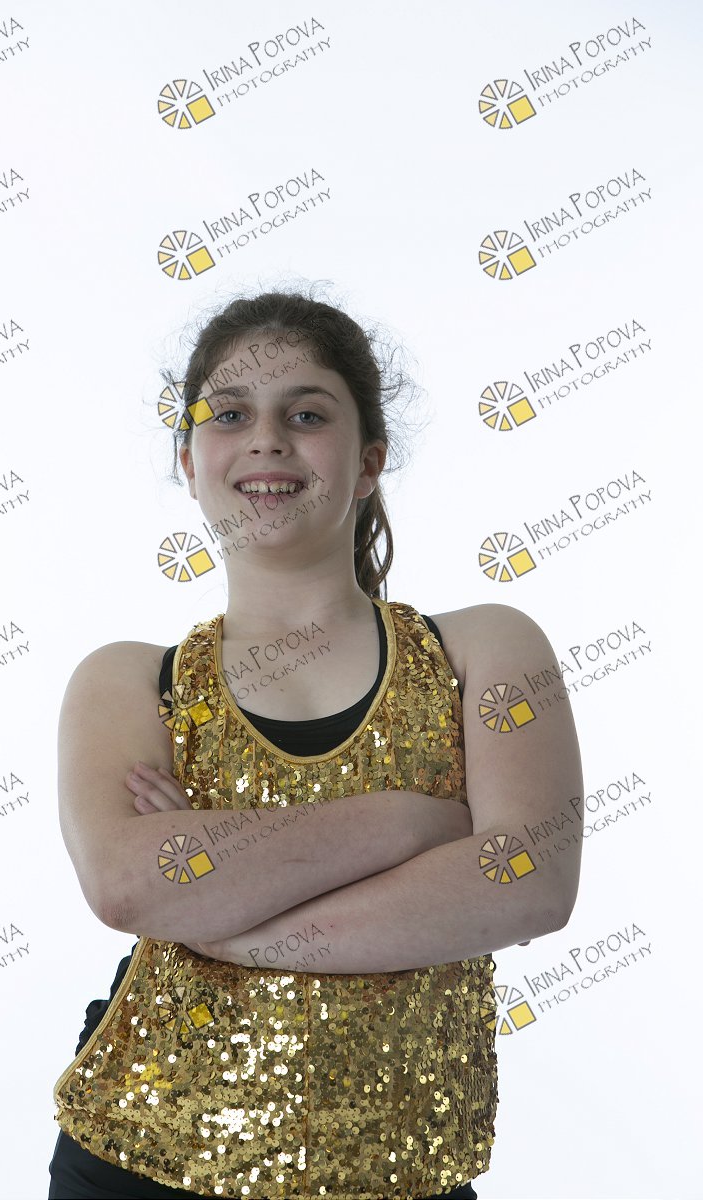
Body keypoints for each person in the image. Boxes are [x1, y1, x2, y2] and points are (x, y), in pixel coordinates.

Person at [48, 289, 583, 1199]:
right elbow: (130, 885)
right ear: (188, 460)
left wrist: (221, 910)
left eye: (306, 414)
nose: (266, 439)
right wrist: (413, 826)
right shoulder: (130, 679)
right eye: (230, 415)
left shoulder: (484, 649)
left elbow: (527, 881)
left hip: (403, 1169)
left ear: (369, 460)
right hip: (139, 1159)